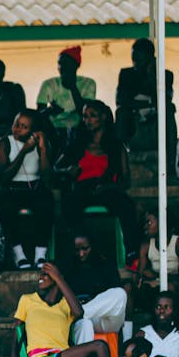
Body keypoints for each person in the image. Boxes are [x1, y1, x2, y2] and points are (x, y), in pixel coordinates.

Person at [11, 261, 112, 357]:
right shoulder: (27, 300)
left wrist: (59, 278)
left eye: (47, 273)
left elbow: (79, 313)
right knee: (99, 346)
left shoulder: (65, 305)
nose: (41, 276)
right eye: (41, 273)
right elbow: (15, 344)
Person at [57, 100, 141, 262]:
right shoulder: (77, 144)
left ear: (103, 118)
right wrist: (67, 171)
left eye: (92, 116)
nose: (87, 120)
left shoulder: (116, 146)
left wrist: (108, 186)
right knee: (69, 204)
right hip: (83, 189)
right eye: (85, 117)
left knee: (126, 205)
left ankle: (132, 253)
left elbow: (126, 180)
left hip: (107, 188)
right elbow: (57, 168)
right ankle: (77, 252)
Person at [0, 110, 54, 269]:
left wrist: (42, 149)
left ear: (33, 131)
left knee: (47, 201)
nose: (17, 129)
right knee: (5, 205)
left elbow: (47, 177)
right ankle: (19, 254)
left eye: (23, 127)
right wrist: (23, 151)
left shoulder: (42, 143)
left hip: (35, 188)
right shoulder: (4, 143)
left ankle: (40, 255)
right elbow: (4, 177)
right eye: (16, 124)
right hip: (12, 189)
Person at [64, 230, 128, 344]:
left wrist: (81, 311)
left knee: (120, 293)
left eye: (85, 248)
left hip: (102, 317)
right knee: (85, 323)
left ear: (93, 246)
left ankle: (80, 313)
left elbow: (113, 298)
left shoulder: (106, 265)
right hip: (80, 319)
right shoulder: (67, 267)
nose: (81, 253)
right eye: (77, 250)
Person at [116, 38, 176, 155]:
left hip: (156, 116)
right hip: (133, 117)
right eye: (134, 60)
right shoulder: (126, 75)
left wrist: (151, 76)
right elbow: (121, 101)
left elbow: (166, 100)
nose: (136, 64)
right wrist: (150, 103)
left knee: (169, 109)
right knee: (121, 113)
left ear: (150, 58)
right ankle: (119, 157)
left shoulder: (166, 75)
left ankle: (172, 158)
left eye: (140, 60)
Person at [36, 46, 97, 148]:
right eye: (60, 63)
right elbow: (39, 113)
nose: (62, 67)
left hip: (78, 126)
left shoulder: (88, 83)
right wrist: (50, 110)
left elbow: (85, 111)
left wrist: (73, 87)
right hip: (53, 126)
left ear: (77, 65)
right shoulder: (49, 84)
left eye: (66, 63)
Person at [135, 208, 179, 316]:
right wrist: (143, 277)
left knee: (169, 288)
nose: (145, 226)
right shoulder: (145, 245)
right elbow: (140, 275)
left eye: (149, 222)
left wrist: (156, 275)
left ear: (162, 223)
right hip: (157, 289)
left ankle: (174, 325)